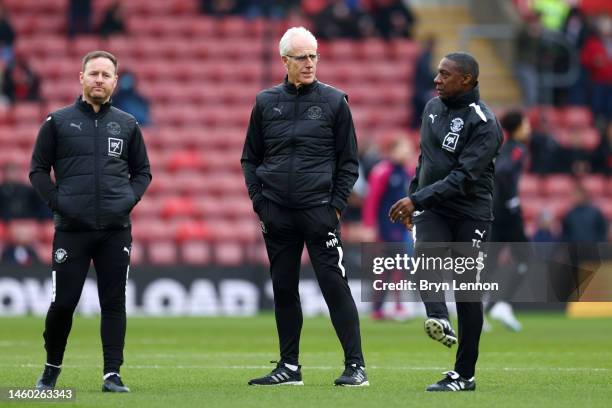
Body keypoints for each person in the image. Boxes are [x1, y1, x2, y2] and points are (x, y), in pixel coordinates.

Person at [241, 26, 368, 387]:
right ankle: (289, 367)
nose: (310, 63)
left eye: (314, 55)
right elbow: (249, 159)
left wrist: (336, 206)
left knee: (334, 285)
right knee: (283, 287)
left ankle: (355, 366)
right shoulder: (265, 102)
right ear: (284, 61)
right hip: (276, 211)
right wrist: (259, 201)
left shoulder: (334, 102)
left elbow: (349, 162)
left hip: (319, 210)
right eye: (302, 57)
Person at [29, 50, 152, 392]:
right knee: (64, 303)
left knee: (113, 303)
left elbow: (143, 172)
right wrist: (58, 202)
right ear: (80, 78)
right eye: (93, 73)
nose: (99, 80)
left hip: (115, 231)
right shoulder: (57, 121)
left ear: (115, 81)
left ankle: (112, 374)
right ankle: (51, 369)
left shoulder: (128, 124)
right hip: (72, 231)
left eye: (106, 75)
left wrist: (128, 199)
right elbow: (37, 170)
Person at [389, 52, 503, 391]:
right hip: (433, 208)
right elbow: (426, 159)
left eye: (444, 74)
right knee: (425, 255)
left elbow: (464, 177)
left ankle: (464, 375)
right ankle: (438, 316)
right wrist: (414, 196)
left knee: (468, 293)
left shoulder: (485, 123)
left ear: (466, 80)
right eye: (438, 74)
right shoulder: (431, 108)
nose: (436, 80)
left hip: (471, 212)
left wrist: (415, 199)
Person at [486, 109, 531, 332]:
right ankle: (502, 304)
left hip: (493, 211)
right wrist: (512, 200)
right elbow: (503, 173)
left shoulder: (500, 148)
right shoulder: (517, 150)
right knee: (525, 257)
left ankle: (481, 310)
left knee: (490, 263)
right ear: (519, 127)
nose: (529, 127)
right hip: (507, 213)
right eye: (526, 123)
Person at [363, 133, 416, 320]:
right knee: (385, 267)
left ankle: (396, 307)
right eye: (404, 148)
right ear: (393, 150)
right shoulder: (382, 171)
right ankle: (378, 309)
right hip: (385, 228)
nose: (408, 152)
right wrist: (370, 226)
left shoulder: (406, 171)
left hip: (401, 229)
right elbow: (372, 201)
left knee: (398, 266)